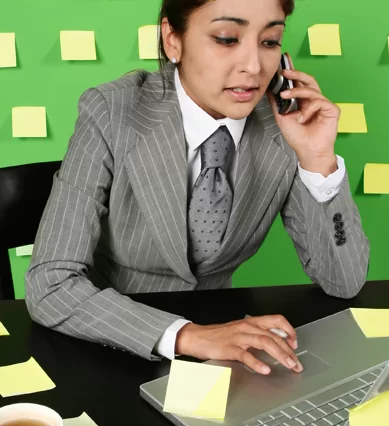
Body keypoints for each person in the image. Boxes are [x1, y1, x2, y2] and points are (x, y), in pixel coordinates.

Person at [25, 0, 370, 376]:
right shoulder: (112, 112)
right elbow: (51, 284)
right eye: (226, 38)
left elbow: (344, 282)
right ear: (172, 40)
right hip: (109, 341)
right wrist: (186, 335)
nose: (253, 67)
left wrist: (317, 159)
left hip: (224, 350)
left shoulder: (284, 123)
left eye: (270, 41)